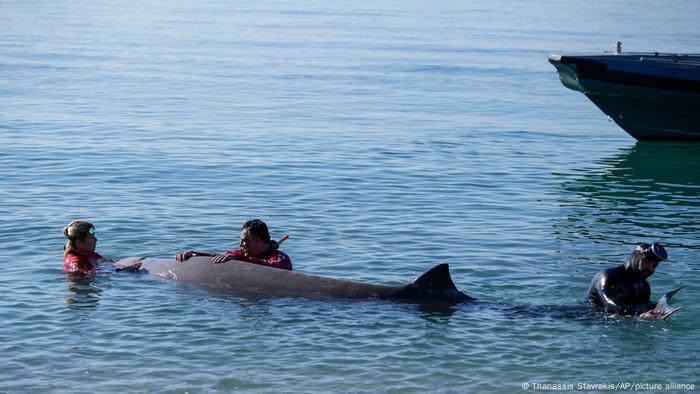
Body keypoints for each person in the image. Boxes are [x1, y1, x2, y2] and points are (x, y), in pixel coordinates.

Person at [587, 242, 668, 318]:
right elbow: (610, 305)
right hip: (587, 317)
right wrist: (640, 315)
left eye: (654, 265)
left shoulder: (644, 286)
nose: (650, 269)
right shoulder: (607, 277)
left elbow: (642, 308)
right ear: (635, 258)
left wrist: (657, 310)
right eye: (646, 262)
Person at [175, 219, 292, 270]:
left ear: (257, 241)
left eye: (245, 241)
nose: (241, 245)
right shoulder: (241, 253)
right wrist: (194, 254)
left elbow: (271, 267)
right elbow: (216, 256)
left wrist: (240, 259)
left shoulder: (281, 258)